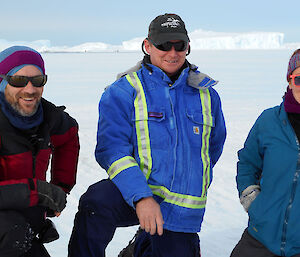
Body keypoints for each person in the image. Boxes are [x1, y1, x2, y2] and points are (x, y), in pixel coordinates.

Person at [68, 13, 226, 257]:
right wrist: (141, 197)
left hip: (180, 206)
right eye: (163, 45)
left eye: (179, 45)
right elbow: (112, 150)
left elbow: (212, 148)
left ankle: (141, 246)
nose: (172, 53)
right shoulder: (124, 90)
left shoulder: (206, 94)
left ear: (188, 47)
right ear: (147, 45)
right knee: (96, 201)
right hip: (135, 192)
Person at [0, 46, 80, 257]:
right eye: (18, 80)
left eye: (37, 80)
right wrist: (38, 191)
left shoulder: (47, 116)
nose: (29, 89)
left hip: (22, 223)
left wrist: (61, 186)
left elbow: (69, 136)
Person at [230, 49, 300, 257]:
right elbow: (247, 163)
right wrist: (253, 201)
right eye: (299, 79)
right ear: (289, 81)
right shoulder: (269, 121)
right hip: (260, 238)